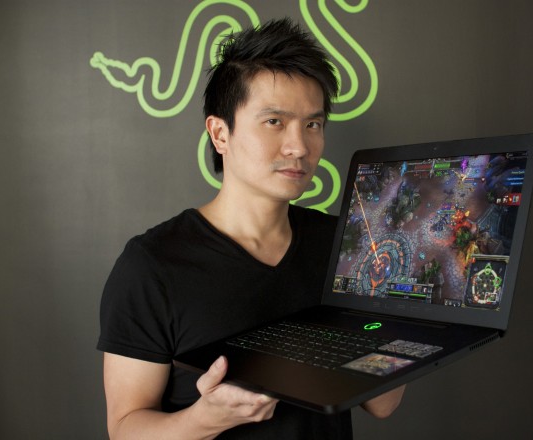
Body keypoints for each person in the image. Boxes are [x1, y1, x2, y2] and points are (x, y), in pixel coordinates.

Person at [98, 18, 405, 439]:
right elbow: (125, 429)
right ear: (220, 133)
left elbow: (382, 404)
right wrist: (206, 419)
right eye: (274, 121)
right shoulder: (153, 265)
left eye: (313, 124)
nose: (299, 146)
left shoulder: (346, 245)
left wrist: (397, 299)